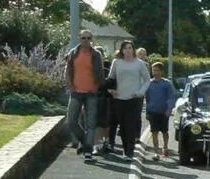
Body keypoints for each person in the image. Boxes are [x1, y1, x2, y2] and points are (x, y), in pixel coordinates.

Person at [63, 29, 105, 161]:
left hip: (91, 93)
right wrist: (70, 85)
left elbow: (100, 72)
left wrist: (96, 87)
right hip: (76, 92)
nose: (86, 40)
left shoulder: (96, 54)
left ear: (91, 39)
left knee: (91, 124)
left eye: (88, 38)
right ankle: (86, 142)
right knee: (71, 122)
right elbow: (67, 70)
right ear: (79, 39)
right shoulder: (73, 53)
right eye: (83, 38)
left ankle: (88, 152)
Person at [107, 40, 150, 162]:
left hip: (134, 98)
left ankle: (129, 152)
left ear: (133, 50)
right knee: (123, 126)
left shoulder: (139, 63)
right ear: (122, 50)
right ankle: (126, 149)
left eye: (130, 48)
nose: (128, 50)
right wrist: (110, 90)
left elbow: (147, 80)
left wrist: (141, 92)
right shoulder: (117, 62)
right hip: (119, 98)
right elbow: (111, 78)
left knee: (130, 126)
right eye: (125, 48)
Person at [145, 61, 177, 160]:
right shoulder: (149, 83)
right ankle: (156, 152)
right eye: (153, 70)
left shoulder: (166, 83)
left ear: (161, 71)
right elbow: (147, 98)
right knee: (154, 132)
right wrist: (147, 111)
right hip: (152, 111)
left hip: (164, 112)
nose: (155, 72)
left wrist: (169, 109)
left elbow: (172, 97)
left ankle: (165, 147)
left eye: (157, 70)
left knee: (164, 131)